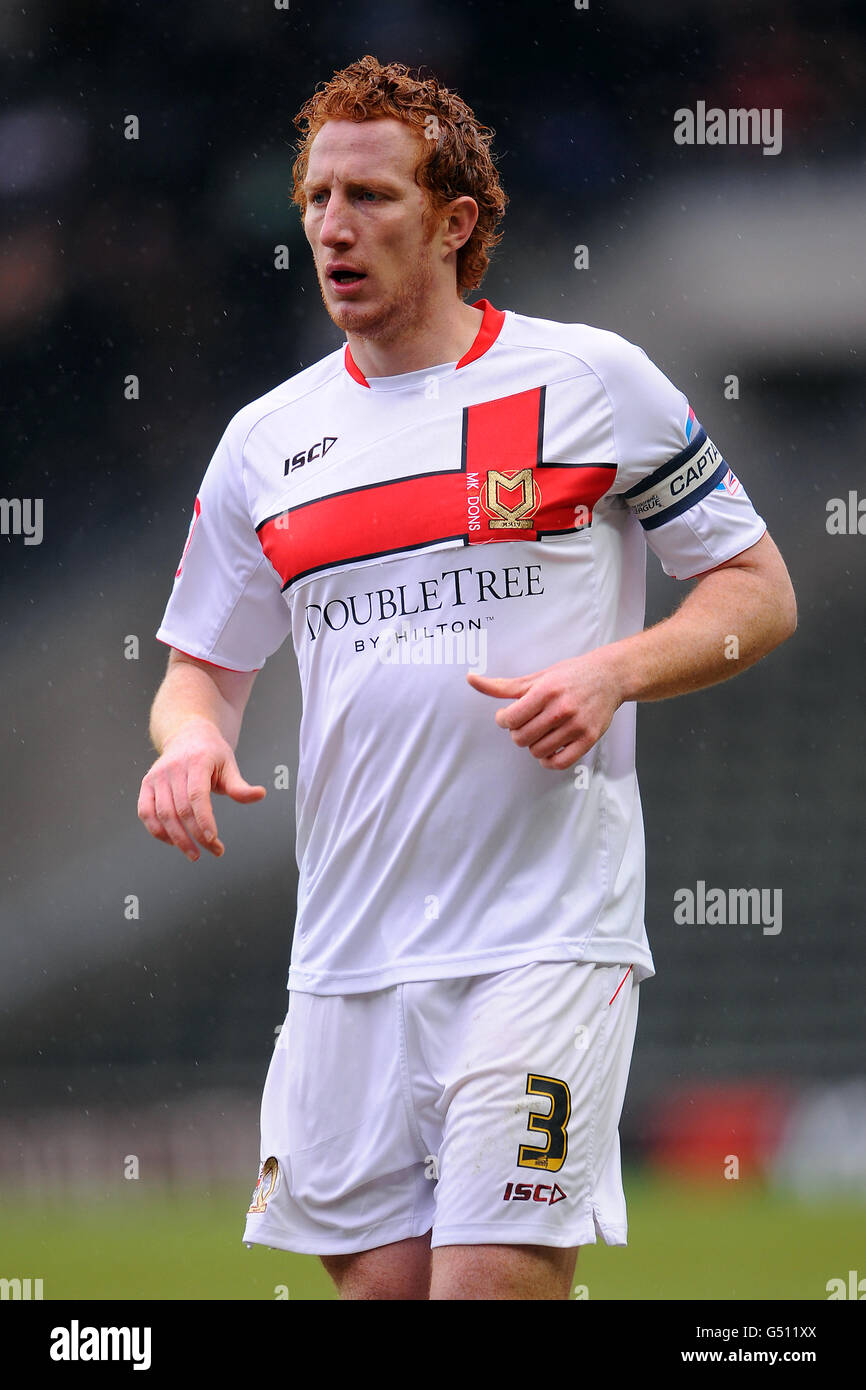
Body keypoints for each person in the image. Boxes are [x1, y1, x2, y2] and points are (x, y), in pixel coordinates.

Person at [137, 55, 796, 1301]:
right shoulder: (264, 443)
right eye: (319, 197)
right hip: (346, 955)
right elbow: (198, 674)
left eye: (373, 197)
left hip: (542, 938)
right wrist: (183, 742)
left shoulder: (588, 382)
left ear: (453, 223)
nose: (336, 225)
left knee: (488, 1284)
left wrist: (612, 672)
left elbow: (756, 592)